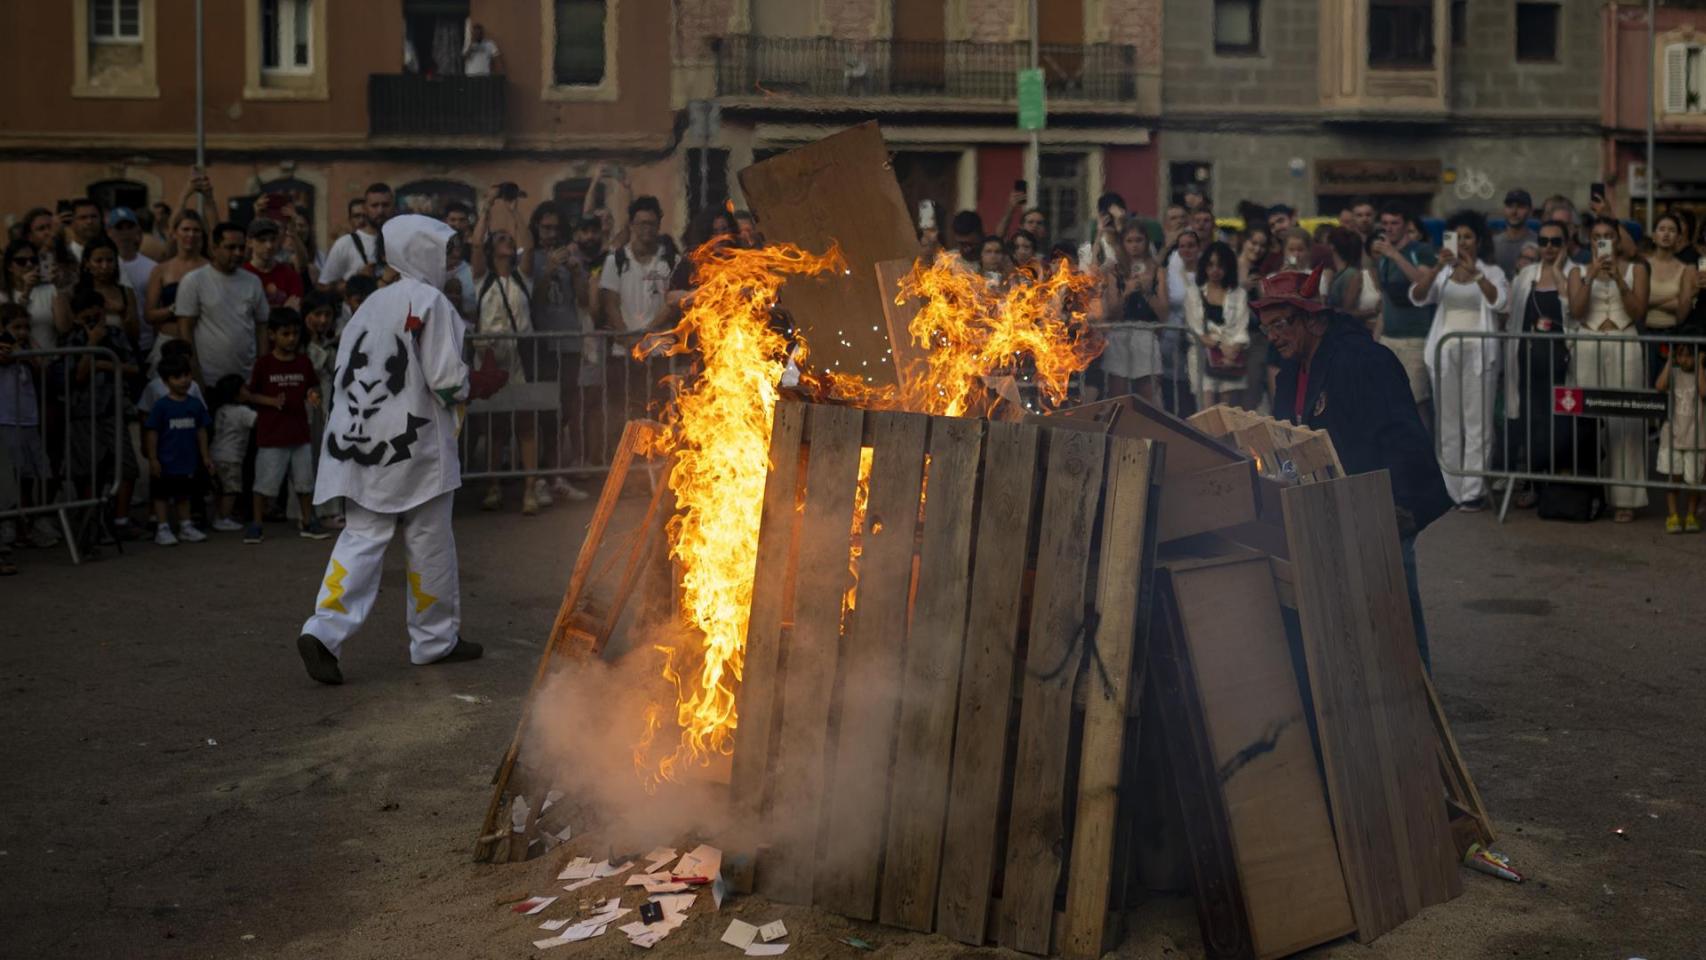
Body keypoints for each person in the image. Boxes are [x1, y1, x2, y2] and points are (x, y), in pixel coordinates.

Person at [297, 214, 477, 685]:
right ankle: (434, 640)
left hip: (360, 446)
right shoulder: (433, 302)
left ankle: (323, 630)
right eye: (444, 248)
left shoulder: (371, 303)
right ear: (421, 251)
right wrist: (472, 384)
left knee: (361, 537)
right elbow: (447, 381)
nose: (450, 257)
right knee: (429, 540)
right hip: (417, 447)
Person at [1259, 270, 1452, 669]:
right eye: (1267, 328)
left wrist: (1399, 509)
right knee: (1352, 619)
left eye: (1280, 324)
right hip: (1330, 508)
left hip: (1382, 505)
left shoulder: (1363, 360)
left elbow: (1403, 436)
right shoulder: (1292, 372)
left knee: (1394, 613)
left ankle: (1418, 696)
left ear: (1314, 320)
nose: (1273, 337)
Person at [1409, 210, 1510, 512]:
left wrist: (1475, 274)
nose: (1463, 242)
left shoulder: (1491, 272)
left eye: (1468, 237)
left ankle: (1472, 490)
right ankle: (1450, 488)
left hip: (1479, 353)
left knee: (1478, 421)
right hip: (1444, 352)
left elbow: (1500, 302)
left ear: (1478, 241)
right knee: (1448, 420)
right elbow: (1418, 296)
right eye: (1457, 237)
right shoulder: (1442, 272)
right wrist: (1439, 265)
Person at [1567, 216, 1652, 522]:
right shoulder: (1576, 271)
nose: (1602, 240)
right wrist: (1591, 276)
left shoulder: (1635, 269)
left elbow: (1639, 311)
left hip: (1624, 339)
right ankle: (1588, 494)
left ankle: (1625, 498)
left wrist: (1618, 279)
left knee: (1625, 419)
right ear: (1590, 241)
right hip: (1588, 341)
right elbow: (1577, 311)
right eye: (1596, 236)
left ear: (1617, 241)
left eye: (1608, 235)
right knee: (1586, 421)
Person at [1503, 220, 1579, 507]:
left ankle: (1556, 485)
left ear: (1565, 244)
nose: (1549, 247)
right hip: (1528, 361)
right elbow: (1513, 316)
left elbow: (1575, 315)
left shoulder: (1575, 272)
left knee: (1560, 423)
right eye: (1544, 241)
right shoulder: (1526, 275)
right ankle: (1534, 483)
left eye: (1555, 242)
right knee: (1532, 422)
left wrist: (1558, 274)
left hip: (1561, 362)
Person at [240, 308, 328, 542]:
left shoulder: (304, 363)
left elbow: (313, 386)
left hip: (299, 433)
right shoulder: (264, 364)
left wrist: (313, 395)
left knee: (305, 483)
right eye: (285, 334)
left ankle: (308, 521)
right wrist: (271, 401)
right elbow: (248, 394)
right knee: (264, 484)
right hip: (272, 435)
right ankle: (256, 524)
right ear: (272, 334)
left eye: (295, 334)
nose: (291, 339)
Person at [476, 230, 544, 515]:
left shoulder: (522, 277)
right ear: (491, 247)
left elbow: (529, 243)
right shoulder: (481, 278)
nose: (507, 241)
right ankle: (493, 487)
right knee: (496, 426)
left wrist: (515, 210)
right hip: (490, 356)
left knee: (526, 424)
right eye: (500, 238)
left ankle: (530, 490)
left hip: (520, 356)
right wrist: (486, 210)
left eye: (509, 238)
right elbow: (475, 245)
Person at [598, 196, 676, 425]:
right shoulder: (615, 260)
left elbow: (672, 304)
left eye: (651, 223)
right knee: (624, 412)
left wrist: (646, 334)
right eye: (642, 223)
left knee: (659, 412)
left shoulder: (671, 260)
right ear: (631, 225)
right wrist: (629, 339)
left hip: (659, 352)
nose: (647, 229)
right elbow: (610, 303)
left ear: (658, 225)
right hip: (623, 352)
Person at [175, 222, 270, 391]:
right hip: (210, 380)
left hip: (247, 380)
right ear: (214, 248)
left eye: (241, 248)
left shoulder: (253, 281)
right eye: (230, 247)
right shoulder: (194, 281)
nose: (238, 253)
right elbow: (185, 331)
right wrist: (196, 377)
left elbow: (262, 328)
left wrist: (261, 373)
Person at [1371, 204, 1439, 423]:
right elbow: (1385, 302)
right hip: (1389, 337)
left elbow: (1423, 284)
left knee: (1416, 402)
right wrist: (1376, 340)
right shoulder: (1383, 257)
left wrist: (1395, 255)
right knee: (1388, 402)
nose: (1389, 228)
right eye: (1385, 223)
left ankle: (1424, 445)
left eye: (1395, 223)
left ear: (1406, 225)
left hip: (1414, 338)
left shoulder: (1420, 251)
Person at [0, 303, 58, 549]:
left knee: (32, 473)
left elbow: (43, 368)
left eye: (26, 327)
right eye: (17, 327)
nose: (22, 332)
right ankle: (9, 523)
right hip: (6, 420)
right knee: (10, 475)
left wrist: (29, 350)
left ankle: (33, 521)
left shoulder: (27, 350)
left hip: (29, 419)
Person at [143, 353, 213, 546]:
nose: (184, 380)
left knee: (184, 494)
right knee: (161, 495)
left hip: (187, 460)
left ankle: (185, 526)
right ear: (166, 381)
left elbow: (201, 430)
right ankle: (162, 528)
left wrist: (205, 456)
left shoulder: (195, 405)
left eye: (186, 375)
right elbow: (152, 432)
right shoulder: (161, 406)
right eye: (177, 377)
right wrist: (153, 458)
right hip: (165, 461)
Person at [1099, 222, 1165, 401]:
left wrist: (1147, 292)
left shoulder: (1157, 270)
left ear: (1146, 242)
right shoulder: (1114, 271)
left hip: (1146, 334)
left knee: (1148, 396)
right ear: (1122, 243)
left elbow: (1164, 313)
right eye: (1129, 241)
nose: (1134, 245)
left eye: (1139, 240)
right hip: (1119, 334)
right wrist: (1127, 292)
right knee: (1117, 395)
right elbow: (1112, 311)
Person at [1183, 240, 1251, 411]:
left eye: (1220, 265)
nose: (1215, 270)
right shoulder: (1193, 293)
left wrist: (1233, 350)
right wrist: (1221, 346)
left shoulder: (1239, 294)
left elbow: (1242, 328)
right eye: (1210, 265)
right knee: (1205, 412)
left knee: (1226, 414)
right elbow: (1195, 331)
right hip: (1202, 357)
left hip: (1231, 359)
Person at [1655, 332, 1706, 533]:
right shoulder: (1674, 373)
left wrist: (1700, 365)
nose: (1684, 360)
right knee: (1673, 477)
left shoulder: (1702, 374)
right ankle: (1673, 515)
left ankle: (1691, 514)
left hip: (1696, 437)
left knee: (1694, 480)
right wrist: (1670, 360)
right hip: (1673, 436)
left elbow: (1703, 392)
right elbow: (1660, 386)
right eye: (1680, 355)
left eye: (1689, 355)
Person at [144, 211, 211, 359]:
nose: (191, 234)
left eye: (196, 230)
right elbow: (149, 315)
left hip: (203, 342)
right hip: (169, 341)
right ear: (174, 233)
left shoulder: (211, 268)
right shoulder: (161, 270)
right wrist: (174, 309)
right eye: (185, 229)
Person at [1643, 213, 1697, 376]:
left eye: (1672, 230)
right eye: (1662, 229)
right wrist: (1672, 299)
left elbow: (1683, 310)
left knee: (1667, 386)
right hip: (1644, 333)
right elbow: (1638, 302)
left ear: (1679, 238)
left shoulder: (1686, 269)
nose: (1666, 234)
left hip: (1672, 336)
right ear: (1654, 235)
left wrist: (1650, 301)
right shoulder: (1642, 265)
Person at [320, 184, 394, 293]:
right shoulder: (345, 243)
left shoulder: (402, 240)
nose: (380, 211)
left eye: (385, 205)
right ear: (365, 208)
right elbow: (323, 288)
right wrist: (358, 279)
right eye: (374, 205)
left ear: (393, 206)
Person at [108, 208, 157, 353]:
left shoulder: (152, 268)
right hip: (114, 345)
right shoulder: (105, 266)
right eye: (119, 228)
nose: (125, 233)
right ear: (109, 232)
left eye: (129, 227)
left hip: (146, 344)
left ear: (137, 230)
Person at [3, 237, 59, 350]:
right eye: (21, 261)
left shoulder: (49, 290)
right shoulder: (2, 295)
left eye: (33, 260)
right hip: (15, 358)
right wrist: (26, 292)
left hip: (50, 357)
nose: (29, 265)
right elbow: (9, 325)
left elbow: (65, 327)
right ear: (9, 267)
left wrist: (60, 287)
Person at [242, 218, 304, 312]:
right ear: (249, 242)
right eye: (262, 240)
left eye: (273, 239)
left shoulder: (290, 275)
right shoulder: (242, 275)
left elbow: (294, 312)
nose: (269, 245)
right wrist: (283, 311)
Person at [1493, 189, 1537, 279]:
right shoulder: (1492, 243)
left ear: (1530, 211)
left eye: (1520, 207)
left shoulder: (1539, 243)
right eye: (1510, 206)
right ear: (1504, 209)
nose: (1514, 211)